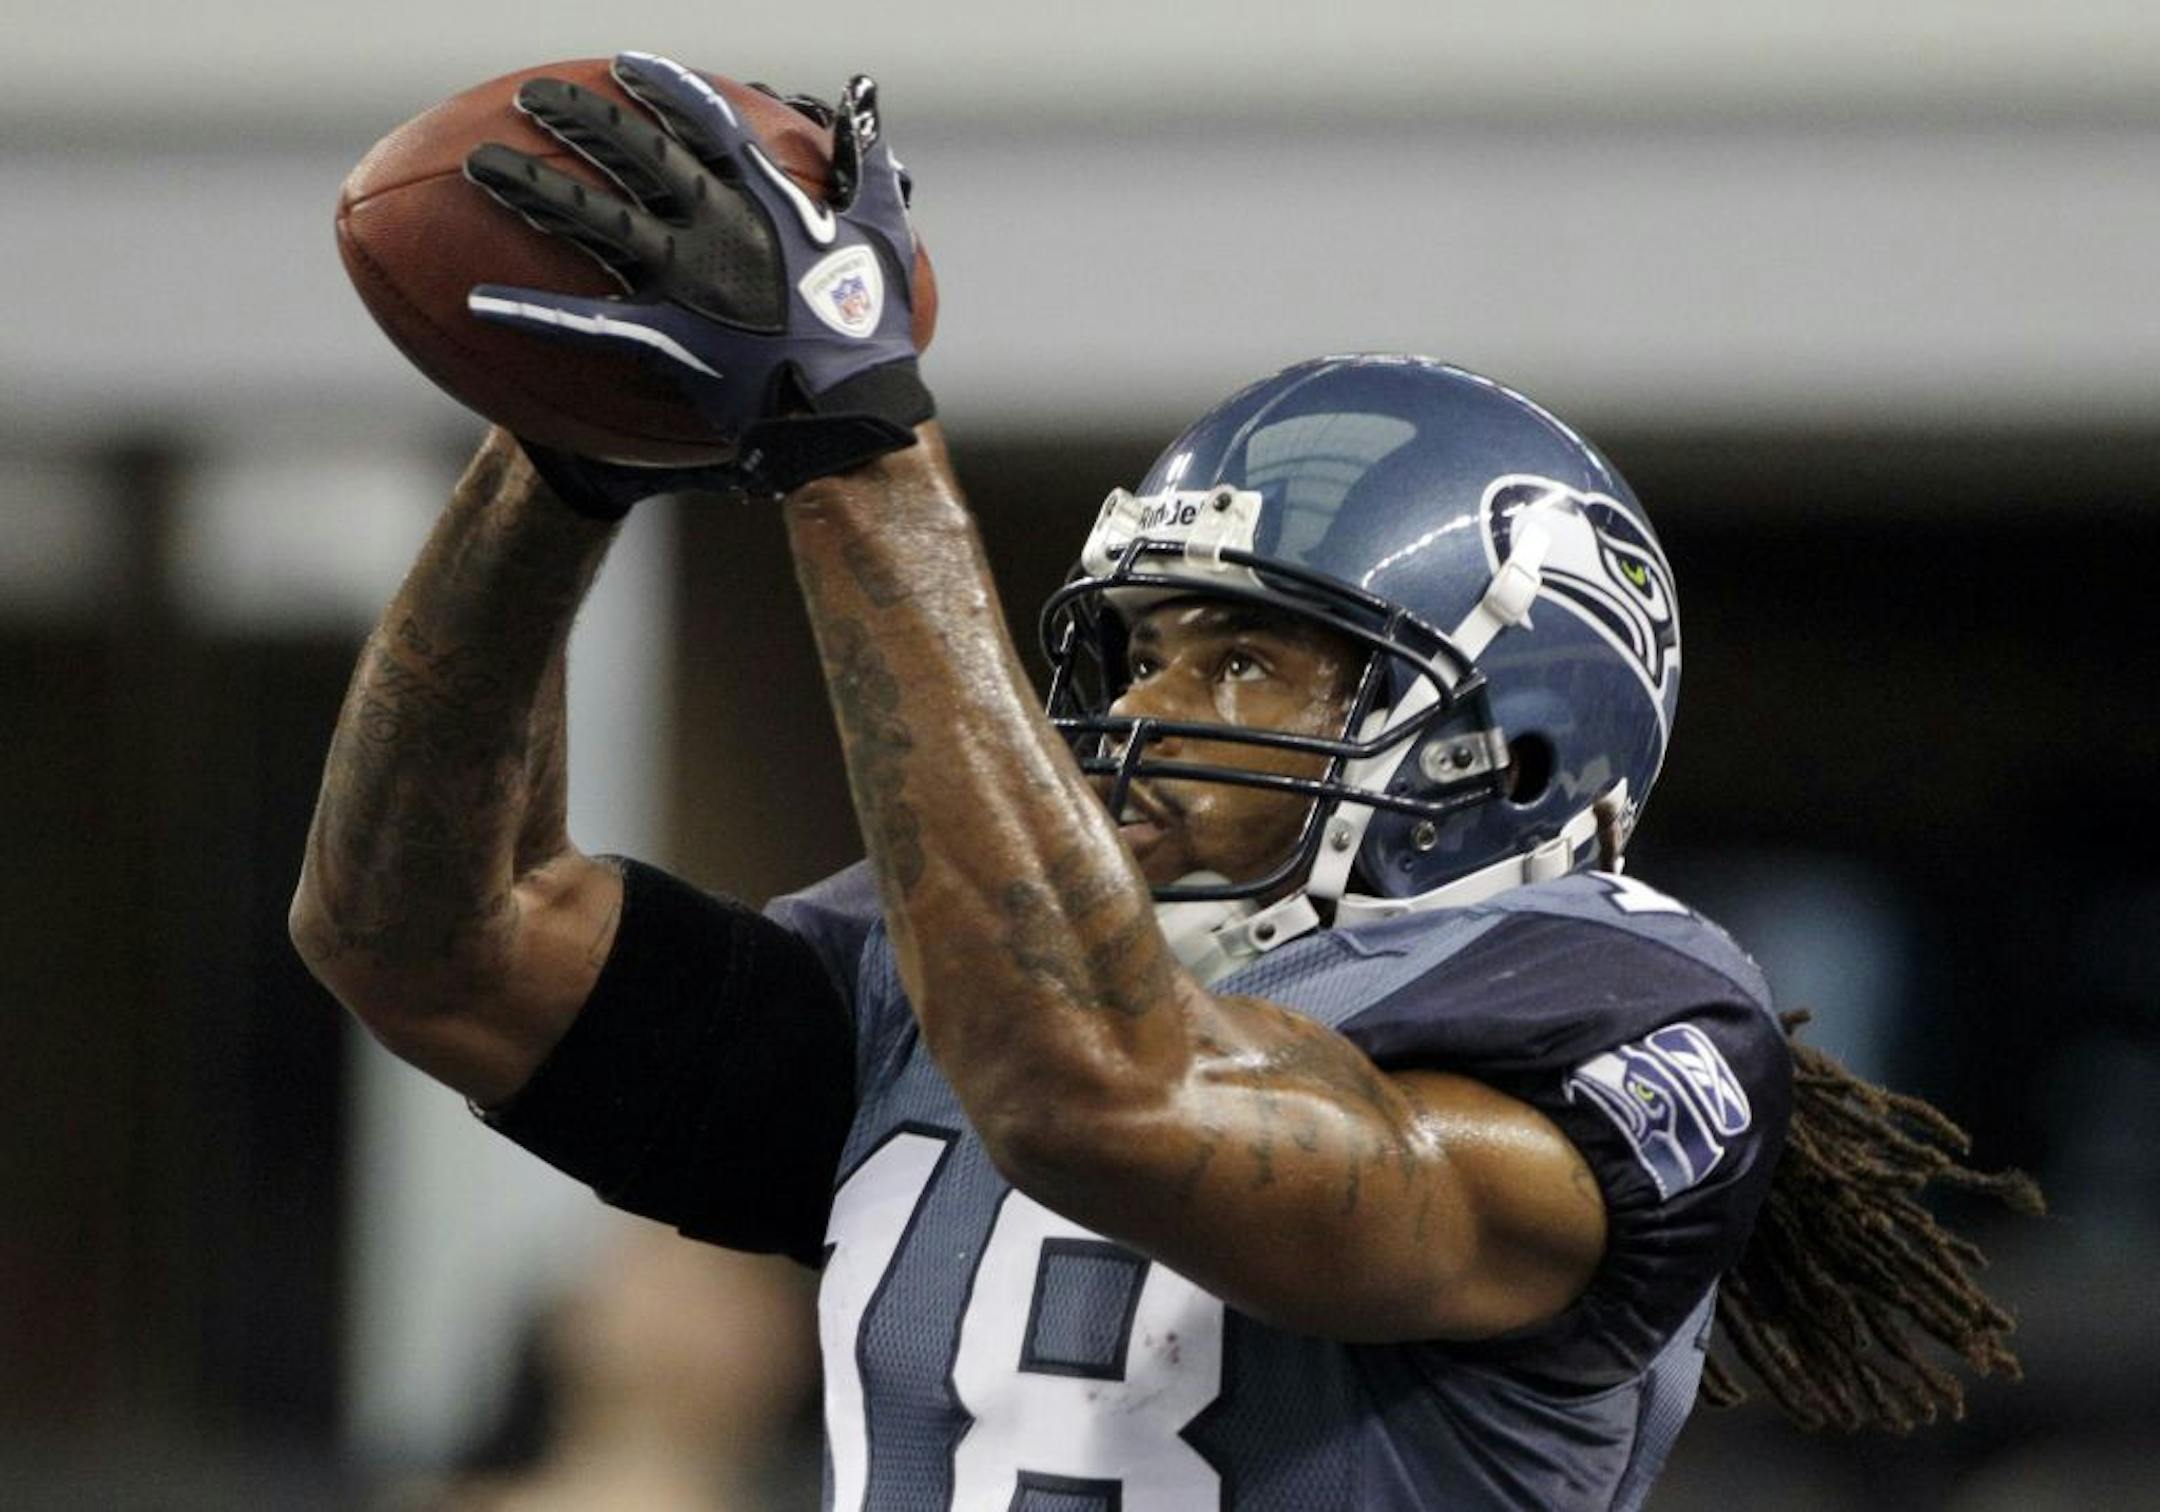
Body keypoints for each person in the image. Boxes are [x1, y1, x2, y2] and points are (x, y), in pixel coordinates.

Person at [292, 53, 2038, 1510]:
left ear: (1503, 744)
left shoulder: (1614, 1010)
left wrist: (852, 444)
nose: (1154, 714)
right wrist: (573, 449)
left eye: (1249, 659)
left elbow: (1104, 1101)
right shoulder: (963, 986)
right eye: (1146, 653)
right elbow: (427, 939)